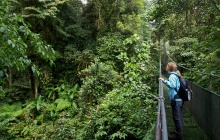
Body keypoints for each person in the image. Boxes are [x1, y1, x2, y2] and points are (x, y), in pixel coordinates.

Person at [159, 62, 183, 140]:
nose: (166, 67)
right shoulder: (174, 74)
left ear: (170, 68)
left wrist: (163, 80)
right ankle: (177, 132)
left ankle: (178, 135)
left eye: (167, 66)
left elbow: (172, 85)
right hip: (177, 99)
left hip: (176, 99)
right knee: (176, 116)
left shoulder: (172, 75)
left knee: (177, 117)